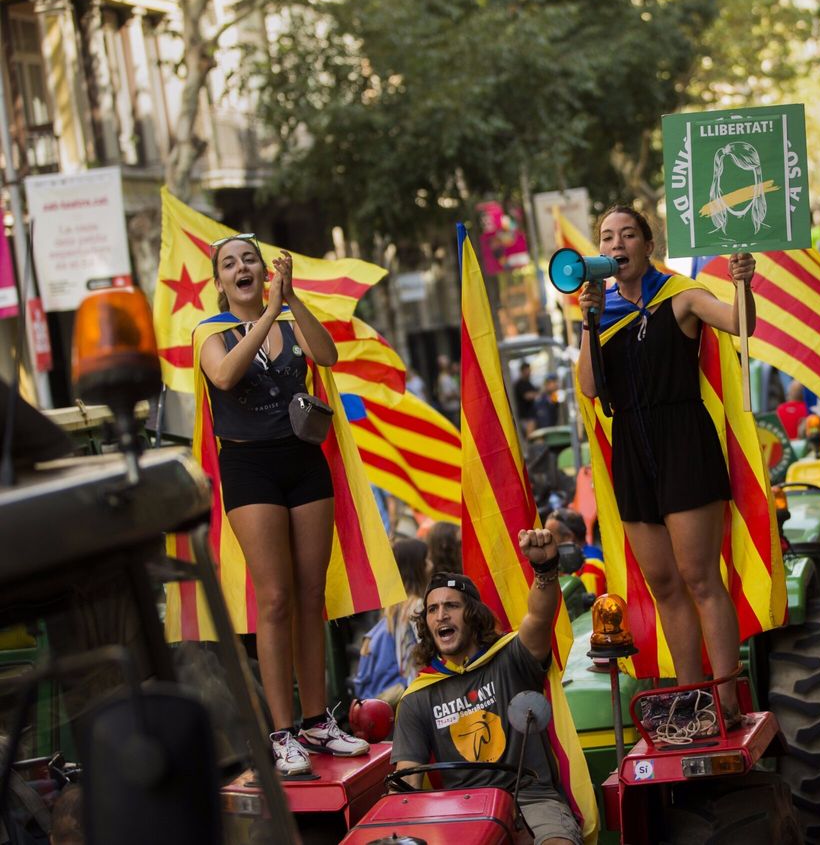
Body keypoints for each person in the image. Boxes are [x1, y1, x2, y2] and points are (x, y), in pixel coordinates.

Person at [198, 234, 369, 775]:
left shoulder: (289, 318)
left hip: (303, 461)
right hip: (250, 469)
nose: (243, 267)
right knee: (273, 598)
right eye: (231, 264)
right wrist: (269, 313)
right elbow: (224, 376)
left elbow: (328, 356)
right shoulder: (210, 331)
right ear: (220, 281)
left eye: (249, 259)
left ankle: (318, 721)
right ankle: (281, 732)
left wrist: (290, 302)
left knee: (309, 594)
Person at [576, 205, 755, 720]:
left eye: (627, 234)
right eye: (607, 237)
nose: (616, 244)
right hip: (632, 447)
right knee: (664, 584)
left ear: (646, 245)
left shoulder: (681, 295)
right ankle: (693, 696)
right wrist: (588, 319)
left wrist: (742, 283)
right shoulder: (600, 312)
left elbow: (741, 323)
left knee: (700, 576)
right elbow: (589, 387)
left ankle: (725, 695)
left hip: (682, 439)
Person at [391, 529, 584, 845]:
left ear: (472, 614)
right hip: (460, 814)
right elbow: (407, 784)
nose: (441, 615)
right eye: (432, 609)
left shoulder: (511, 657)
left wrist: (545, 570)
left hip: (532, 801)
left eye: (451, 606)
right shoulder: (417, 697)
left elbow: (538, 616)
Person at [353, 537, 431, 703]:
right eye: (427, 560)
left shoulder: (394, 607)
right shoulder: (416, 607)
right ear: (416, 566)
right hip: (417, 690)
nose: (431, 565)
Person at [546, 508, 606, 598]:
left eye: (550, 536)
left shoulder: (589, 567)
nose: (546, 543)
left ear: (568, 537)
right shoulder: (589, 557)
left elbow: (589, 610)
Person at [514, 362, 538, 436]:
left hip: (531, 415)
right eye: (527, 370)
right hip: (526, 417)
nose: (529, 372)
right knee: (530, 436)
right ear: (522, 371)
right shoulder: (520, 384)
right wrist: (536, 395)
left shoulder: (529, 382)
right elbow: (527, 396)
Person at [436, 356, 460, 424]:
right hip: (451, 409)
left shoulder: (449, 376)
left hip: (454, 407)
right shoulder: (443, 378)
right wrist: (458, 395)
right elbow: (447, 395)